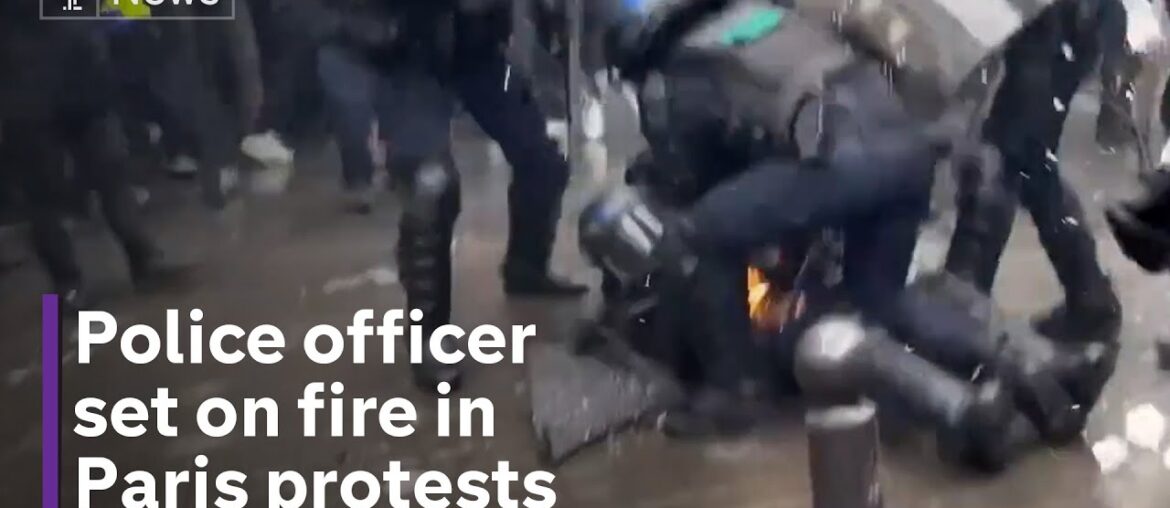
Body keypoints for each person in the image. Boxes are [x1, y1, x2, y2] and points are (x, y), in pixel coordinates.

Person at [579, 0, 1117, 459]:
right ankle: (1033, 367)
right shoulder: (760, 18)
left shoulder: (670, 75)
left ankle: (733, 395)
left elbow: (687, 188)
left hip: (842, 163)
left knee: (697, 236)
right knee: (880, 299)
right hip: (907, 154)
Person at [300, 0, 587, 393]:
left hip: (478, 53)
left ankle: (526, 267)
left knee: (544, 162)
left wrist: (547, 15)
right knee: (431, 186)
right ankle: (429, 338)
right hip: (405, 59)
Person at [944, 0, 1123, 343]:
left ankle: (961, 308)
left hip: (1056, 30)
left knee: (1007, 160)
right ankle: (1091, 301)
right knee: (1028, 163)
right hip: (1064, 29)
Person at [0, 8, 189, 310]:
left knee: (111, 172)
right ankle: (68, 284)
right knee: (42, 195)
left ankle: (142, 257)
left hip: (83, 77)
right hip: (27, 87)